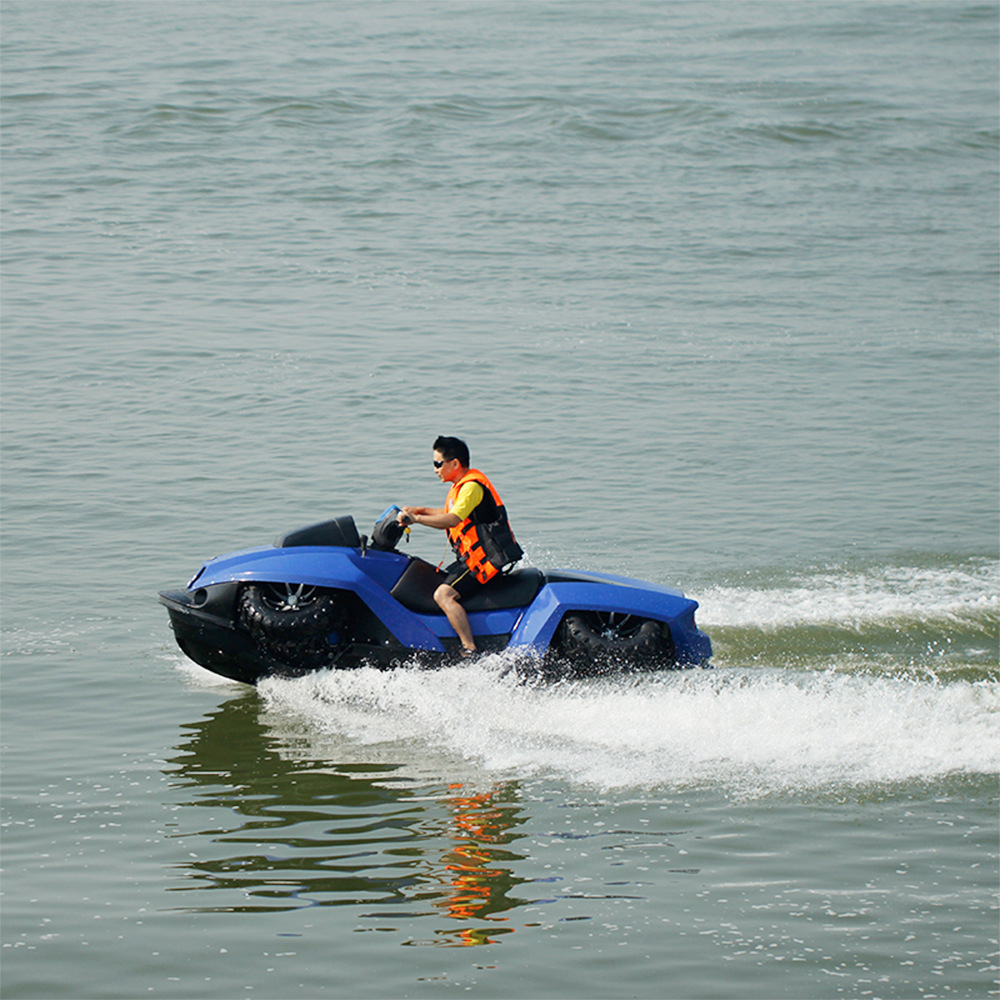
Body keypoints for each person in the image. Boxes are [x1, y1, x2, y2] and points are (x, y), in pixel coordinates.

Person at [398, 436, 522, 655]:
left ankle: (469, 648)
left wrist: (416, 520)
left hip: (484, 562)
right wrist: (421, 510)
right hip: (471, 558)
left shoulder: (471, 487)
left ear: (454, 464)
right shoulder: (460, 487)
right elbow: (448, 512)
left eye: (438, 463)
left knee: (442, 595)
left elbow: (452, 520)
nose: (434, 469)